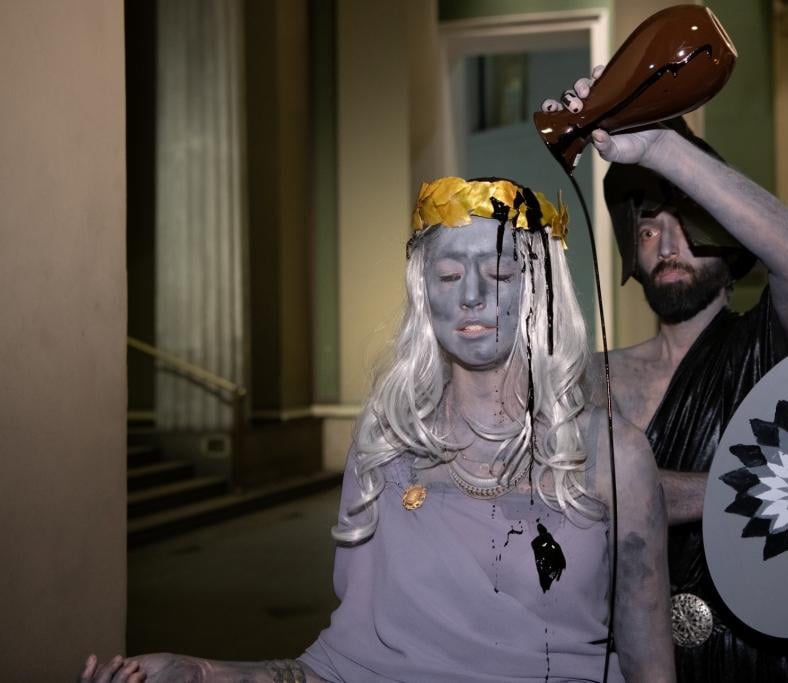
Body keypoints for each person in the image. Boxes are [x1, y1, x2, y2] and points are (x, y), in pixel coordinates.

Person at [80, 177, 674, 683]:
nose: (470, 296)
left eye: (496, 271)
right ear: (424, 293)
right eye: (446, 275)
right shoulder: (387, 444)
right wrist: (204, 672)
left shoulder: (612, 455)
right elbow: (336, 668)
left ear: (538, 289)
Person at [542, 68, 788, 681]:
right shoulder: (587, 376)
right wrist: (759, 489)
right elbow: (558, 500)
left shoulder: (769, 347)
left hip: (777, 655)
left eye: (686, 223)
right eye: (647, 227)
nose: (665, 244)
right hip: (639, 656)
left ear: (727, 237)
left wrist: (662, 146)